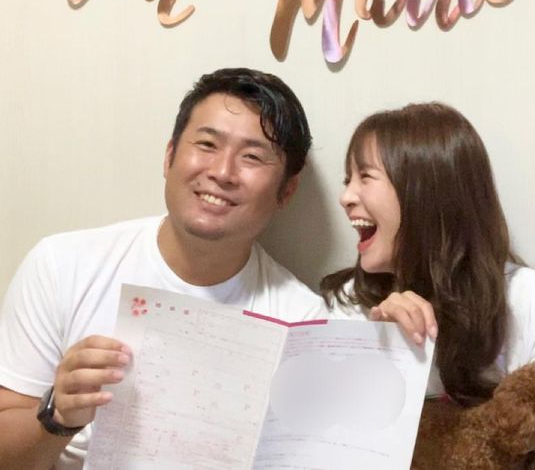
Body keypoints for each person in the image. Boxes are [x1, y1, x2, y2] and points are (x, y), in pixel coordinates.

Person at [0, 67, 327, 470]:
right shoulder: (63, 265)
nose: (222, 172)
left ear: (287, 191)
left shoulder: (301, 321)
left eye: (253, 157)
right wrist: (58, 418)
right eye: (207, 144)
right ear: (170, 156)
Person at [321, 102, 535, 463]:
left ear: (426, 193)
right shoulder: (349, 302)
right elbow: (326, 448)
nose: (346, 197)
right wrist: (382, 348)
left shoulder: (526, 298)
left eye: (365, 177)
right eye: (347, 180)